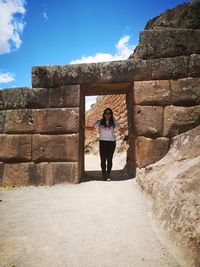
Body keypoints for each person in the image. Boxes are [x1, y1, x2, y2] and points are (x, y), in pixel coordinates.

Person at [92, 108, 127, 181]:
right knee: (103, 159)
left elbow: (121, 130)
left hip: (111, 142)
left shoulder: (114, 123)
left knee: (109, 159)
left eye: (109, 113)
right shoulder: (100, 122)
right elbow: (92, 129)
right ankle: (103, 173)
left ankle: (108, 174)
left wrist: (129, 128)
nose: (107, 115)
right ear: (104, 114)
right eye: (106, 113)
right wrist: (83, 126)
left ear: (111, 115)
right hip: (102, 142)